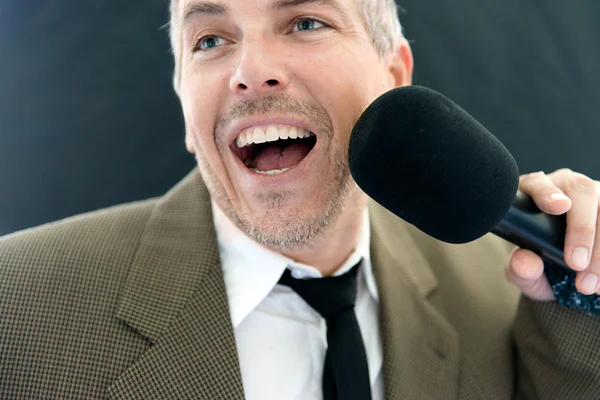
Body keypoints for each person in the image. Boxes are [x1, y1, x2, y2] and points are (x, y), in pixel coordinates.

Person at [1, 0, 600, 398]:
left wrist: (582, 290)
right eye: (209, 40)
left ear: (394, 78)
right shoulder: (17, 312)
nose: (251, 69)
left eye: (306, 22)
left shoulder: (507, 290)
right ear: (186, 108)